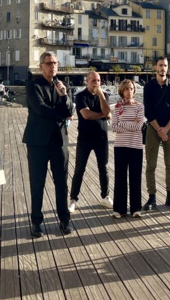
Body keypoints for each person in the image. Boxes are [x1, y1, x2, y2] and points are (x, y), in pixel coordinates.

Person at [22, 51, 74, 237]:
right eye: (49, 63)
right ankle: (36, 222)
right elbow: (40, 109)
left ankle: (64, 220)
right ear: (41, 66)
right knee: (37, 183)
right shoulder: (33, 86)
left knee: (62, 183)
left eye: (55, 63)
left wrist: (63, 96)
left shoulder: (62, 86)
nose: (53, 66)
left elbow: (69, 109)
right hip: (37, 142)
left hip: (59, 141)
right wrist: (62, 114)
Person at [68, 71, 113, 213]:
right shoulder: (81, 96)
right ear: (87, 81)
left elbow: (109, 113)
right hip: (85, 138)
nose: (96, 83)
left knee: (104, 168)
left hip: (101, 138)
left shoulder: (104, 96)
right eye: (93, 80)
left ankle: (105, 196)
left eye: (98, 80)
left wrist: (100, 95)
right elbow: (86, 115)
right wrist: (102, 115)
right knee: (79, 168)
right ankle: (73, 199)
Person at [143, 56, 170, 211]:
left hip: (169, 128)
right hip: (153, 129)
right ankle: (151, 197)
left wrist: (166, 129)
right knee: (151, 164)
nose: (163, 68)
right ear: (155, 67)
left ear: (167, 68)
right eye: (160, 65)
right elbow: (148, 111)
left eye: (165, 66)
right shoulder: (149, 86)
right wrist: (159, 129)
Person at [111, 79, 145, 218]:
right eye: (126, 89)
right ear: (122, 91)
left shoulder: (140, 107)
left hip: (136, 146)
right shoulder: (118, 107)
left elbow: (139, 126)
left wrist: (123, 124)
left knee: (135, 177)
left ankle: (136, 208)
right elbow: (113, 127)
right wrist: (130, 123)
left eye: (131, 89)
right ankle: (119, 209)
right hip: (120, 146)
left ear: (134, 91)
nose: (129, 91)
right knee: (120, 177)